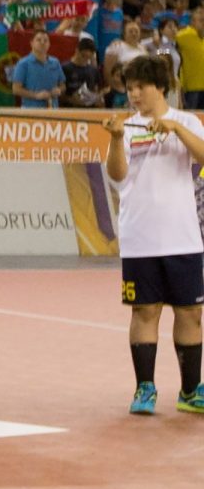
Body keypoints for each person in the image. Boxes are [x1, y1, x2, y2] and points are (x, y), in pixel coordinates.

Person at [102, 55, 204, 416]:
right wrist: (116, 139)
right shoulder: (126, 127)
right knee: (145, 311)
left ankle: (191, 391)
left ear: (160, 87)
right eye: (128, 88)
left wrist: (175, 130)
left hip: (183, 238)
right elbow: (117, 176)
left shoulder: (186, 121)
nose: (133, 94)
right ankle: (144, 388)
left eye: (139, 87)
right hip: (139, 237)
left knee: (190, 313)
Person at [10, 31, 66, 108]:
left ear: (49, 44)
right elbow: (16, 89)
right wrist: (36, 95)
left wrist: (59, 90)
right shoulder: (23, 63)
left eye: (45, 40)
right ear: (31, 43)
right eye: (39, 40)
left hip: (53, 109)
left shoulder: (55, 62)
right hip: (31, 110)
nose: (42, 43)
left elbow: (63, 85)